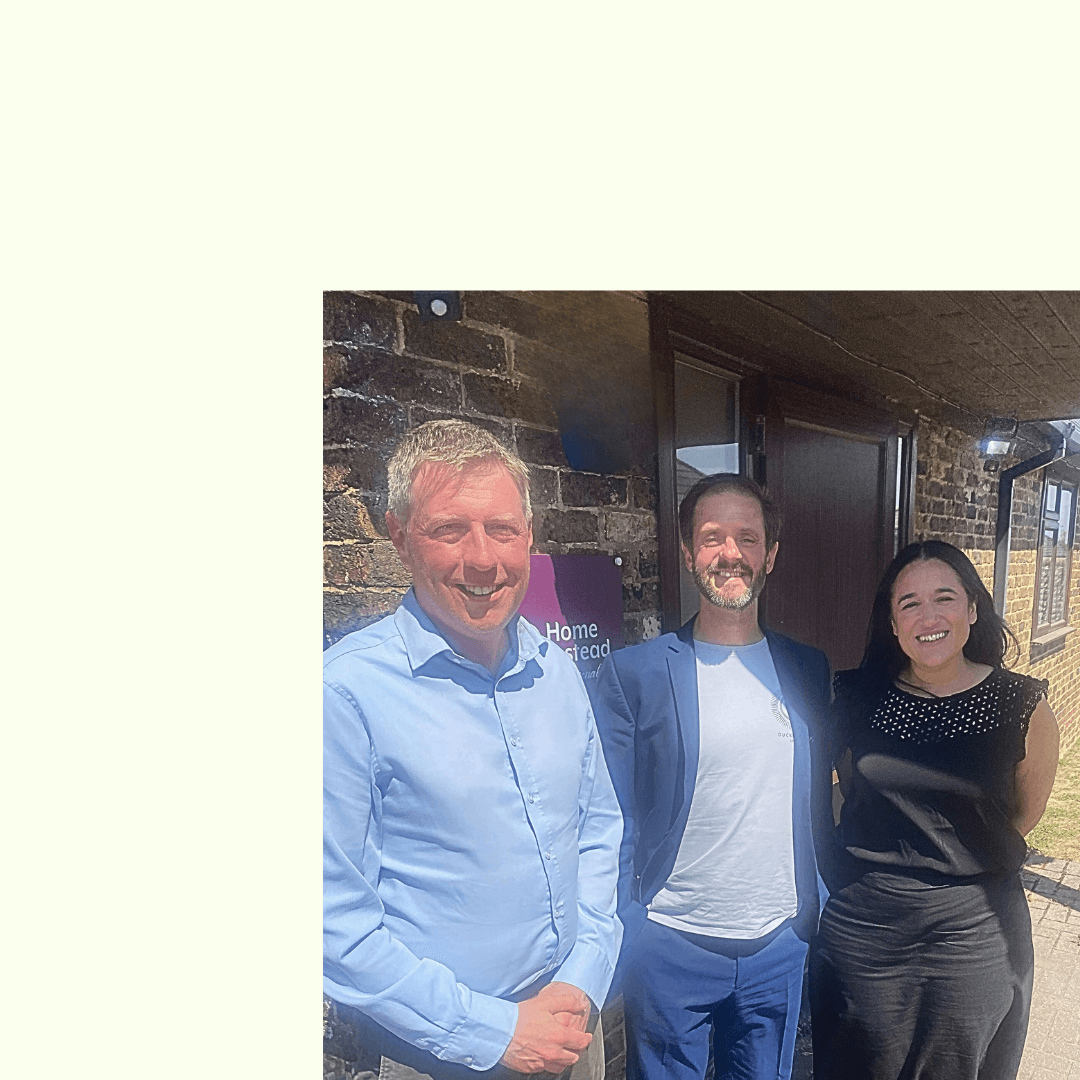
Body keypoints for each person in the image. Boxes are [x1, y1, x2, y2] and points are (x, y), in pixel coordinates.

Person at [323, 420, 623, 1080]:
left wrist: (584, 976)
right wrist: (497, 1032)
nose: (483, 558)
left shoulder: (558, 671)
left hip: (573, 1027)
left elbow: (599, 830)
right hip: (440, 1054)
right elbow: (330, 921)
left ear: (530, 537)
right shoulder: (343, 695)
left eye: (502, 529)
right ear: (401, 538)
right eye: (449, 529)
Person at [593, 474, 835, 1080]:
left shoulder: (807, 667)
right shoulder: (637, 673)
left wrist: (813, 906)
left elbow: (813, 800)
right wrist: (632, 925)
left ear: (770, 555)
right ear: (687, 553)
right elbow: (610, 814)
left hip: (779, 942)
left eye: (747, 538)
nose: (730, 553)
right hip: (671, 941)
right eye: (712, 537)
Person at [810, 540, 1060, 1080]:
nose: (929, 617)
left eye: (944, 598)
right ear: (893, 624)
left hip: (976, 931)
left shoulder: (1022, 706)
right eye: (910, 604)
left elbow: (1023, 814)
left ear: (972, 609)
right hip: (866, 929)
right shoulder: (855, 697)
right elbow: (815, 792)